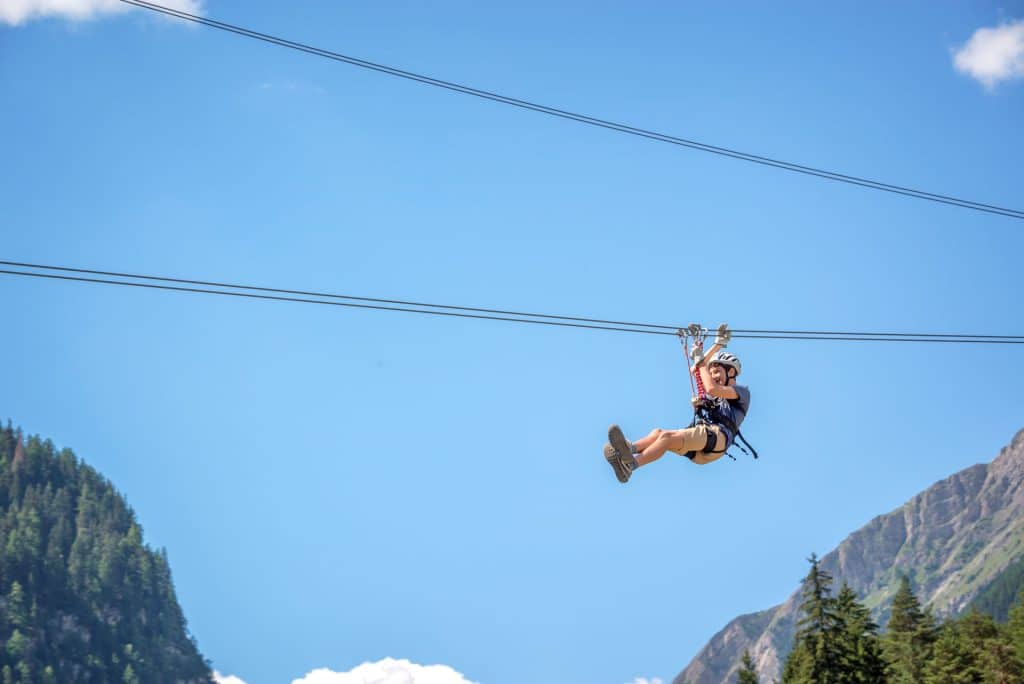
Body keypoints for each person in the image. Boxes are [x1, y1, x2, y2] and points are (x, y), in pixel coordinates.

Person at [604, 325, 751, 483]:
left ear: (730, 372)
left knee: (666, 437)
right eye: (712, 372)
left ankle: (630, 466)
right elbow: (696, 369)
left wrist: (701, 359)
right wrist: (718, 345)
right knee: (659, 433)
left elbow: (710, 387)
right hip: (705, 446)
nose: (713, 375)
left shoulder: (742, 392)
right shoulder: (717, 399)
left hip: (716, 439)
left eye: (717, 372)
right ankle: (629, 450)